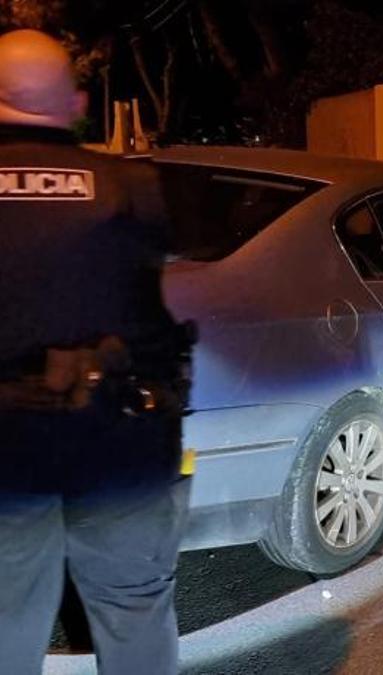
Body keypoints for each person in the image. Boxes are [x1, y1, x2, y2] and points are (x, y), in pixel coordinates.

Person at [0, 29, 193, 674]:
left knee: (4, 621)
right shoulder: (133, 186)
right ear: (75, 101)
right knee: (134, 610)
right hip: (122, 443)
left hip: (7, 458)